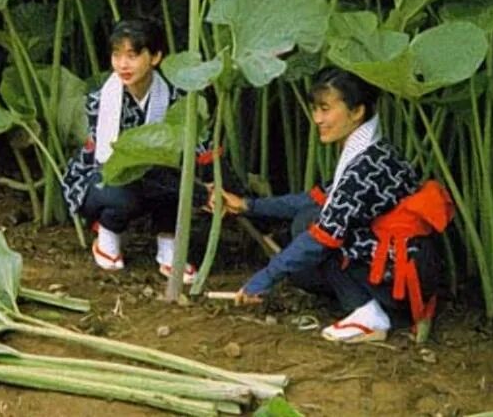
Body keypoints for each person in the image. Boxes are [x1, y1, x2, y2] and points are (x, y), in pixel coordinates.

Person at [212, 67, 450, 344]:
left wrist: (263, 279)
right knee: (309, 219)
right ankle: (372, 304)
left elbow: (321, 236)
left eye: (325, 109)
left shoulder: (363, 169)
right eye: (315, 109)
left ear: (357, 111)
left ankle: (372, 315)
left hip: (400, 280)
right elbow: (316, 198)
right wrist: (248, 206)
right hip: (409, 267)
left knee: (311, 230)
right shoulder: (374, 150)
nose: (317, 119)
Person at [60, 18, 209, 279]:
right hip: (101, 178)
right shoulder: (101, 99)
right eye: (117, 55)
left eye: (133, 55)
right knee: (128, 193)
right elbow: (109, 160)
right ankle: (107, 234)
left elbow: (194, 146)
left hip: (156, 177)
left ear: (155, 57)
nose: (122, 64)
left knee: (176, 177)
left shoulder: (175, 96)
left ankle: (169, 249)